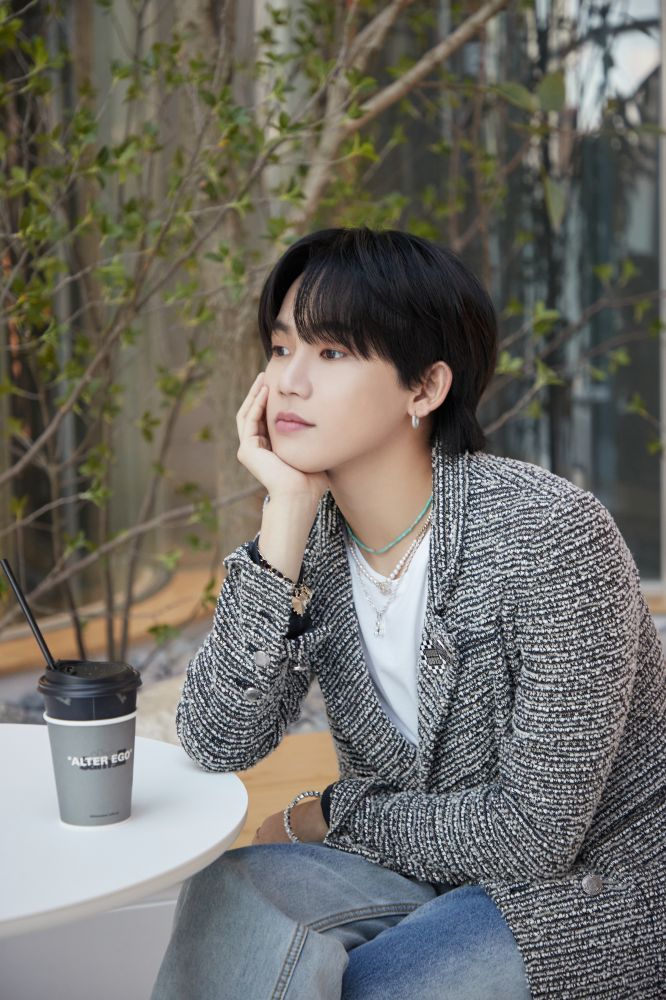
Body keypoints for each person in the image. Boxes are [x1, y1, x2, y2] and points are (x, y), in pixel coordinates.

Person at [150, 228, 666, 1000]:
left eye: (331, 353)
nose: (290, 381)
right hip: (417, 867)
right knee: (230, 893)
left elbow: (533, 837)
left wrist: (331, 812)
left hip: (589, 889)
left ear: (424, 389)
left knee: (382, 984)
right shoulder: (312, 542)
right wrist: (281, 527)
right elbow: (218, 738)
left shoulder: (549, 534)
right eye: (282, 347)